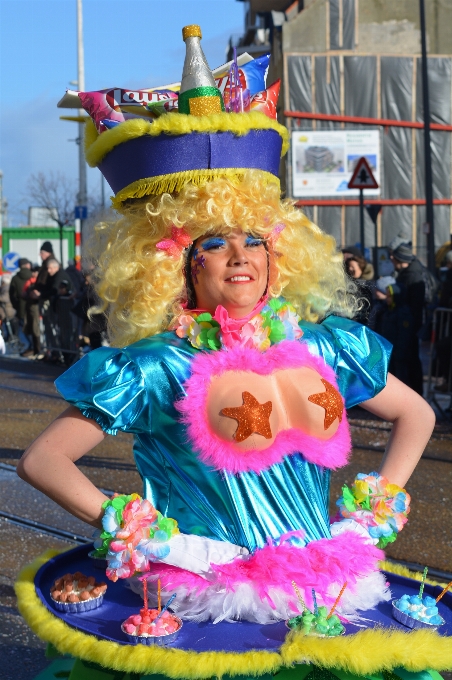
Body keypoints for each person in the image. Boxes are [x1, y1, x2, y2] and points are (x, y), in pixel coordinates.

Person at [16, 24, 439, 680]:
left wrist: (372, 512)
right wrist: (141, 532)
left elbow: (417, 415)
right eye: (212, 242)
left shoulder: (326, 346)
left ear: (279, 252)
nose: (239, 254)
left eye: (254, 238)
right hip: (204, 607)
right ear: (176, 266)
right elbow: (43, 460)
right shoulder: (157, 365)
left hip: (324, 591)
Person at [390, 244, 425, 395]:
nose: (391, 259)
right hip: (407, 322)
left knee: (409, 359)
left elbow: (415, 304)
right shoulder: (407, 273)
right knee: (408, 359)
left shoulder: (412, 276)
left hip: (408, 323)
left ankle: (414, 393)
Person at [10, 258, 34, 355]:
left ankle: (31, 346)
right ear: (27, 265)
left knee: (24, 327)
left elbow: (12, 295)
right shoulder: (33, 276)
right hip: (34, 305)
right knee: (35, 327)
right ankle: (35, 347)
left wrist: (17, 305)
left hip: (21, 306)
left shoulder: (15, 278)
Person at [345, 255, 373, 324]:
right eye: (349, 266)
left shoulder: (368, 285)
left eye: (353, 267)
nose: (350, 269)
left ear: (360, 267)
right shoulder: (347, 284)